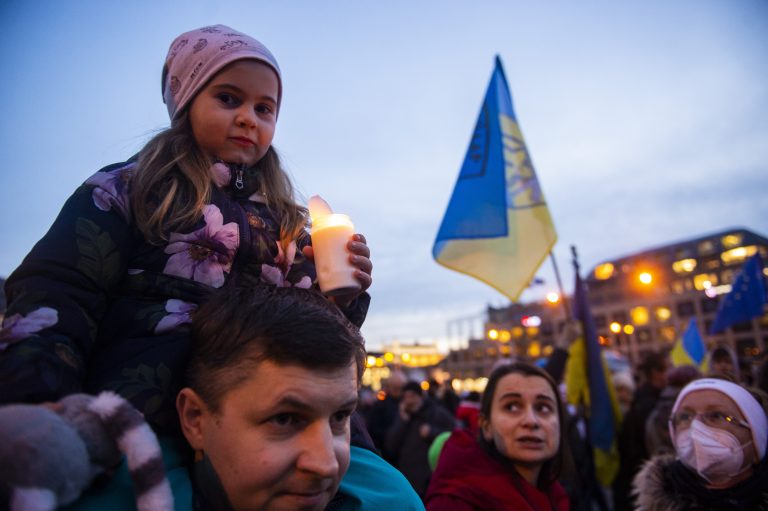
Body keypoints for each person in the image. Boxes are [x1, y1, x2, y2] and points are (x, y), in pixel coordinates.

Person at [0, 25, 372, 435]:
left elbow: (307, 327)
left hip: (274, 418)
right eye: (229, 99)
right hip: (145, 411)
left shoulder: (286, 223)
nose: (249, 118)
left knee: (383, 493)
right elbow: (61, 290)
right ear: (186, 103)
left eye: (265, 108)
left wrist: (339, 298)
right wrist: (40, 403)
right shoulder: (128, 190)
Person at [424, 362, 570, 511]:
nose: (531, 421)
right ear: (486, 425)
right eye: (512, 407)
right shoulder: (453, 504)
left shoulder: (557, 497)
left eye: (543, 408)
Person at [632, 378, 768, 510]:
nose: (696, 427)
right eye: (685, 416)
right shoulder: (654, 504)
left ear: (755, 434)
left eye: (716, 415)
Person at [613, 350, 669, 511]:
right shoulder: (647, 405)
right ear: (655, 373)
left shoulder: (649, 399)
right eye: (665, 370)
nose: (668, 374)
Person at [385, 381, 456, 498]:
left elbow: (453, 434)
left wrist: (432, 432)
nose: (409, 401)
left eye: (412, 396)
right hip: (407, 477)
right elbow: (391, 445)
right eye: (406, 397)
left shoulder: (436, 412)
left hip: (428, 477)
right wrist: (402, 421)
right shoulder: (403, 416)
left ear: (420, 396)